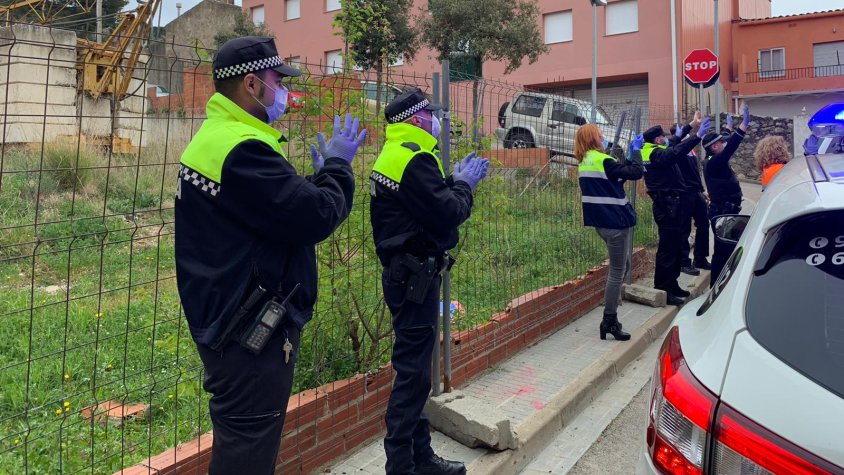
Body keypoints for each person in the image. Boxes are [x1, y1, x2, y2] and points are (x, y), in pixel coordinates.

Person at [174, 36, 366, 474]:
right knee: (247, 454)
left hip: (228, 319)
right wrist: (338, 168)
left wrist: (315, 182)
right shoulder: (243, 148)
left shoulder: (221, 138)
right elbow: (316, 217)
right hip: (246, 332)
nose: (285, 90)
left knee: (244, 446)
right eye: (278, 81)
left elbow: (271, 212)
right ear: (251, 85)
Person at [370, 88, 488, 475]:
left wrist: (450, 180)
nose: (438, 121)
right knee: (413, 377)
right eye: (432, 115)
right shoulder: (415, 158)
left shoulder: (398, 153)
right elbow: (448, 213)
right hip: (414, 278)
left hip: (406, 275)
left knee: (417, 374)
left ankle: (420, 457)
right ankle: (401, 466)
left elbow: (423, 202)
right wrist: (465, 185)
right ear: (417, 119)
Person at [575, 124, 644, 341]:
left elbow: (615, 179)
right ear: (593, 139)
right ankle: (609, 320)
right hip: (615, 223)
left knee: (624, 266)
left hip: (601, 223)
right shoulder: (604, 160)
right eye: (600, 135)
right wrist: (636, 152)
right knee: (616, 272)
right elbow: (636, 173)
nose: (603, 137)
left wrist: (626, 161)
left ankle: (612, 301)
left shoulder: (585, 162)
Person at [641, 114, 710, 306]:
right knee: (668, 249)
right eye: (663, 137)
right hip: (666, 205)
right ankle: (664, 287)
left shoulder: (652, 149)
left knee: (675, 246)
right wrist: (697, 137)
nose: (666, 139)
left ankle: (672, 283)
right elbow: (674, 152)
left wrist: (690, 126)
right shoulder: (655, 154)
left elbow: (674, 141)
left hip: (671, 204)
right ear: (657, 140)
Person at [702, 104, 750, 286]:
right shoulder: (715, 162)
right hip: (723, 213)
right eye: (721, 143)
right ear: (714, 147)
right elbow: (731, 146)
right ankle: (717, 286)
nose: (725, 143)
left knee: (727, 249)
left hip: (725, 211)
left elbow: (726, 141)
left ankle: (725, 282)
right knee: (723, 252)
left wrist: (728, 128)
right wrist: (743, 125)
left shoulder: (712, 158)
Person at [669, 119, 711, 276]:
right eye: (685, 133)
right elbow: (673, 148)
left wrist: (702, 190)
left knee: (704, 224)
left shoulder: (690, 150)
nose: (688, 136)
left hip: (696, 192)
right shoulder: (676, 149)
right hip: (684, 194)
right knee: (684, 229)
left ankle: (700, 258)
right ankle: (684, 262)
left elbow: (695, 172)